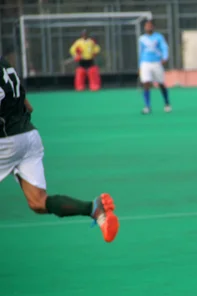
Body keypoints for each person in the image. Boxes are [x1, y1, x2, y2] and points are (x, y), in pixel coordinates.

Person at [0, 47, 119, 243]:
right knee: (38, 202)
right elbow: (28, 106)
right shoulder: (5, 64)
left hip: (6, 142)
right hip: (29, 137)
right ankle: (95, 209)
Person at [138, 19, 171, 114]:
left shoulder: (158, 37)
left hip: (156, 62)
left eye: (150, 25)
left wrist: (165, 57)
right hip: (145, 63)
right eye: (146, 26)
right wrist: (140, 65)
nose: (148, 27)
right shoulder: (142, 39)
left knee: (161, 83)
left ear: (153, 27)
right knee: (146, 83)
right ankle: (147, 106)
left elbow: (164, 47)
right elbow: (140, 52)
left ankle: (167, 103)